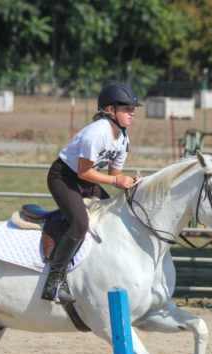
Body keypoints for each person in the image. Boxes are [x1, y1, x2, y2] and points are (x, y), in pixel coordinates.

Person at [41, 82, 142, 304]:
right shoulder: (98, 132)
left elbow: (114, 174)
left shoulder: (123, 139)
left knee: (115, 217)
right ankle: (54, 283)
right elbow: (84, 171)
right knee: (80, 223)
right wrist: (116, 180)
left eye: (133, 109)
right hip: (63, 177)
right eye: (126, 108)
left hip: (87, 180)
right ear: (110, 110)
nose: (132, 113)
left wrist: (129, 182)